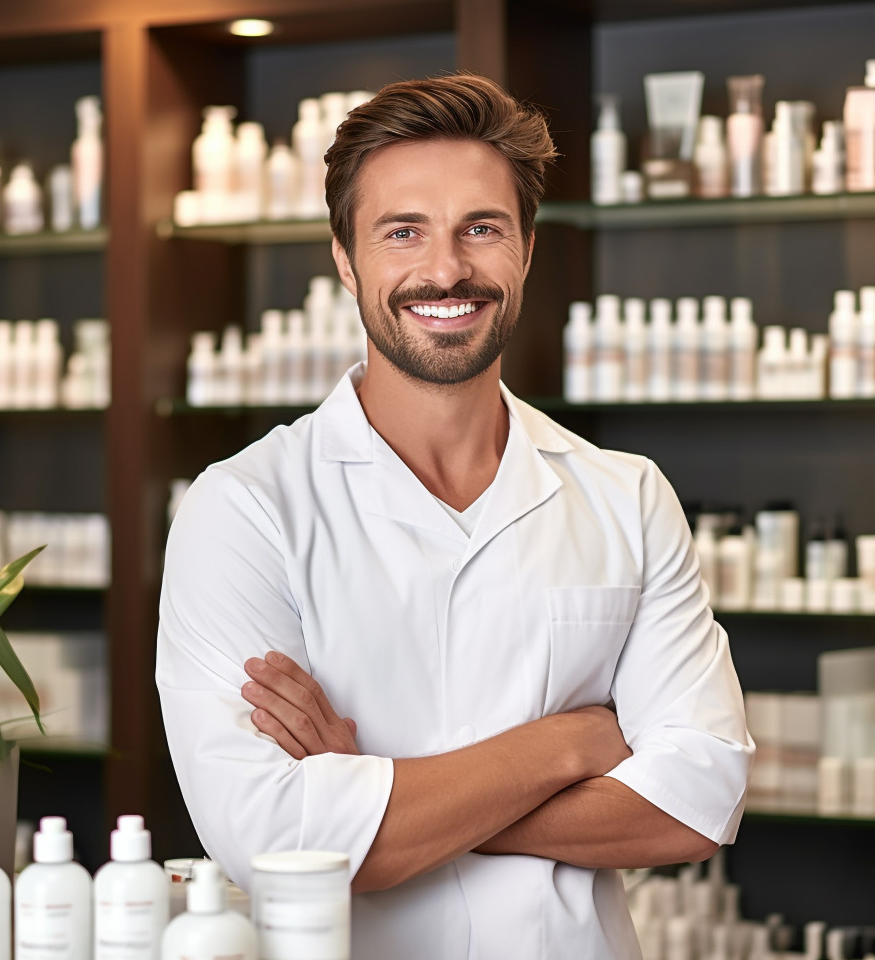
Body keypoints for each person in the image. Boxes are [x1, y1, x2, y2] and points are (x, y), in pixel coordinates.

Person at [156, 73, 754, 960]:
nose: (446, 270)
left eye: (482, 228)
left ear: (526, 249)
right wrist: (571, 743)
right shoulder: (245, 509)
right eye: (403, 232)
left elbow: (695, 806)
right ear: (345, 259)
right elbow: (272, 838)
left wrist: (367, 797)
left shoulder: (624, 495)